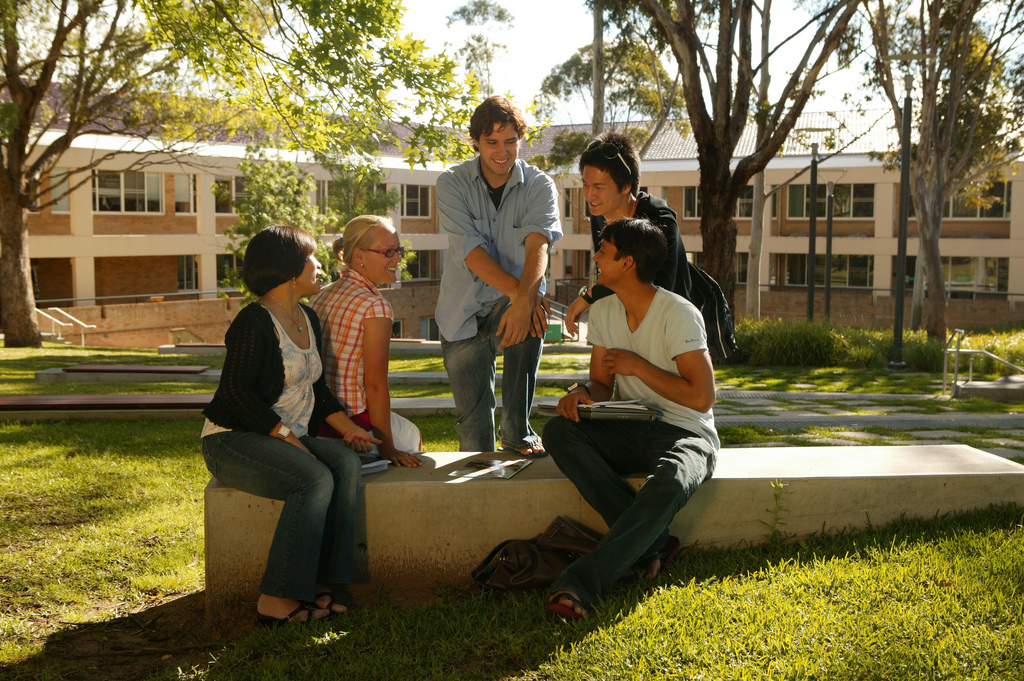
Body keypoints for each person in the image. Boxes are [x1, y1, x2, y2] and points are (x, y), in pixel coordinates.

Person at [201, 225, 380, 626]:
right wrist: (284, 436)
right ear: (289, 267)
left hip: (286, 437)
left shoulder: (307, 317)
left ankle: (320, 582)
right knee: (314, 479)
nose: (319, 265)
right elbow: (235, 393)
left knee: (346, 463)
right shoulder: (253, 321)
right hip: (233, 440)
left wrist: (350, 430)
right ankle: (276, 598)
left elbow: (318, 388)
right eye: (311, 257)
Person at [543, 218, 719, 621]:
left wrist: (639, 368)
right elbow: (601, 384)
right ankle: (654, 539)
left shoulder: (679, 314)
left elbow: (701, 396)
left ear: (628, 262)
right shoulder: (604, 312)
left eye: (604, 250)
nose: (596, 256)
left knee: (673, 478)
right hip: (632, 425)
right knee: (559, 432)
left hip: (687, 431)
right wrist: (581, 394)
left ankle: (580, 584)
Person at [435, 95, 562, 455]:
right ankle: (480, 494)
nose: (502, 151)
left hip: (511, 304)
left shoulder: (539, 185)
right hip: (461, 314)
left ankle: (517, 432)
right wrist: (523, 297)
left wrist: (524, 303)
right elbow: (471, 252)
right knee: (474, 432)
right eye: (492, 142)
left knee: (532, 316)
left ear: (520, 140)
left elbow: (538, 245)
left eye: (510, 141)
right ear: (475, 141)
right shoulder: (451, 183)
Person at [310, 215, 423, 468]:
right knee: (412, 436)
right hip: (352, 422)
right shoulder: (375, 307)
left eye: (399, 250)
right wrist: (388, 448)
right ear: (359, 255)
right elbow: (374, 385)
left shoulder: (320, 295)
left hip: (318, 418)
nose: (398, 258)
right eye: (388, 252)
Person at [564, 131, 690, 337]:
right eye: (585, 185)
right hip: (624, 325)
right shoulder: (600, 213)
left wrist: (589, 296)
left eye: (598, 187)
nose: (589, 194)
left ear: (625, 186)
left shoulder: (658, 217)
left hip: (670, 328)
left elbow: (660, 287)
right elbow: (607, 273)